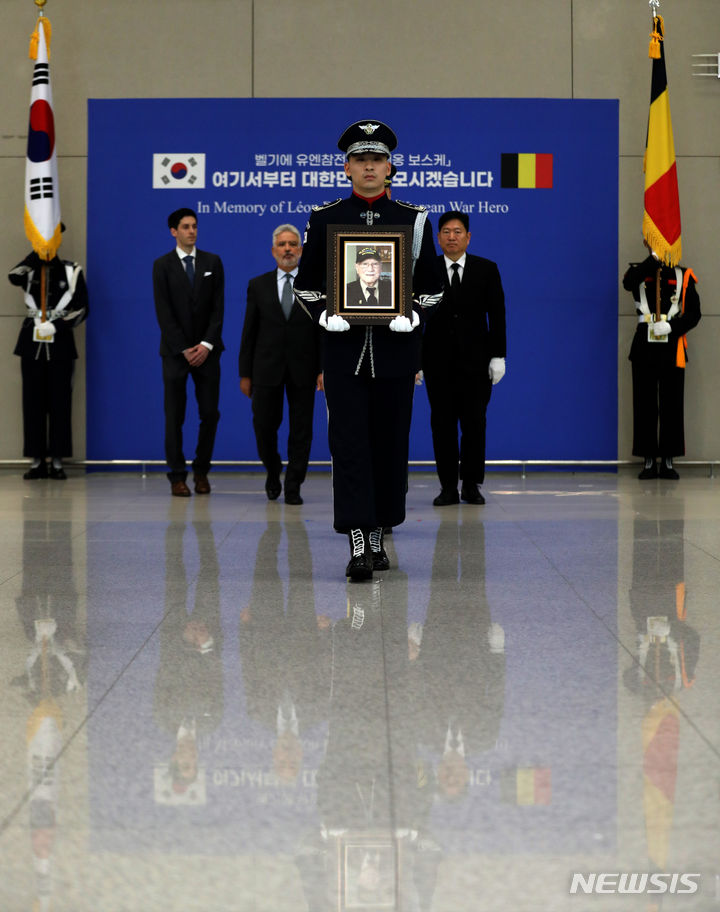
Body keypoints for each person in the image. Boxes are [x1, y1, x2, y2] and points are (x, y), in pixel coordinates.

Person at [294, 119, 443, 581]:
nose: (369, 167)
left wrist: (414, 312)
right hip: (343, 354)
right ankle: (359, 542)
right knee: (350, 445)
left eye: (377, 160)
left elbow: (435, 287)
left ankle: (380, 535)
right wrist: (324, 315)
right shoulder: (324, 218)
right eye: (361, 160)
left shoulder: (414, 220)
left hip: (397, 355)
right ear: (346, 168)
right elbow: (306, 287)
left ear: (390, 167)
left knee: (391, 445)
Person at [422, 211, 506, 506]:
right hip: (436, 362)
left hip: (476, 363)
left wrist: (498, 356)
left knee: (474, 424)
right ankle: (447, 487)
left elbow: (497, 315)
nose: (452, 237)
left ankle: (471, 484)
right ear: (438, 237)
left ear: (468, 237)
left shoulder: (486, 269)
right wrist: (415, 360)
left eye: (458, 232)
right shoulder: (426, 268)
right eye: (446, 231)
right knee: (442, 424)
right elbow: (415, 316)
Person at [238, 224, 322, 505]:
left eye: (292, 244)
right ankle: (273, 471)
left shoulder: (315, 285)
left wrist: (323, 369)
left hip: (304, 369)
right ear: (273, 251)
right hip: (265, 369)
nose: (287, 249)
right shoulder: (257, 285)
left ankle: (294, 484)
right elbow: (248, 332)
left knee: (302, 431)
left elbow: (323, 331)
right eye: (282, 244)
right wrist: (244, 373)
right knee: (263, 427)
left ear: (300, 249)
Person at [152, 208, 225, 496]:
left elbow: (218, 308)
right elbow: (164, 312)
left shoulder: (212, 262)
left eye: (194, 226)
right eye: (185, 227)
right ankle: (177, 476)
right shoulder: (162, 265)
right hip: (175, 353)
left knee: (210, 414)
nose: (192, 231)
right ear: (174, 231)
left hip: (208, 353)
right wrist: (184, 348)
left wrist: (206, 344)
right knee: (175, 416)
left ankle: (201, 472)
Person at [9, 247, 89, 480]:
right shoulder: (29, 269)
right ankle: (36, 461)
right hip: (31, 345)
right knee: (32, 402)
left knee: (60, 403)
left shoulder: (71, 270)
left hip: (60, 344)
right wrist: (35, 256)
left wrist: (58, 326)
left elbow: (83, 308)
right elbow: (13, 276)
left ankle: (57, 460)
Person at [622, 245, 700, 479]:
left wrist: (673, 327)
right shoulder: (639, 272)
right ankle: (648, 459)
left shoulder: (683, 275)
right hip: (644, 346)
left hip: (671, 346)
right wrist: (651, 261)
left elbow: (694, 314)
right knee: (644, 403)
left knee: (672, 404)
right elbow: (628, 284)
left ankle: (667, 459)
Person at [344, 246, 392, 311]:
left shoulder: (392, 289)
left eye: (375, 264)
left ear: (381, 267)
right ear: (357, 267)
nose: (370, 269)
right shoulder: (345, 291)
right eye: (365, 264)